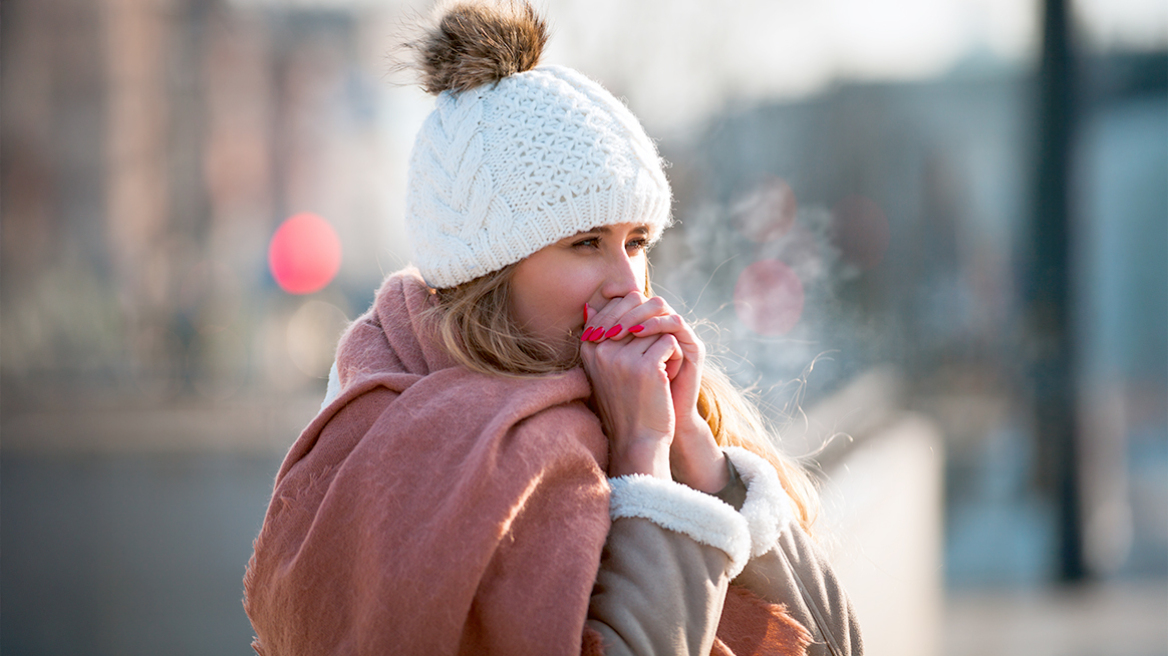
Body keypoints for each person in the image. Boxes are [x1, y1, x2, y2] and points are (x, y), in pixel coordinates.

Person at [243, 2, 862, 654]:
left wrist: (700, 459)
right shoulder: (409, 440)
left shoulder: (660, 405)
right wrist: (643, 466)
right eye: (587, 242)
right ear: (491, 274)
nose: (627, 280)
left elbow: (836, 644)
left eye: (638, 240)